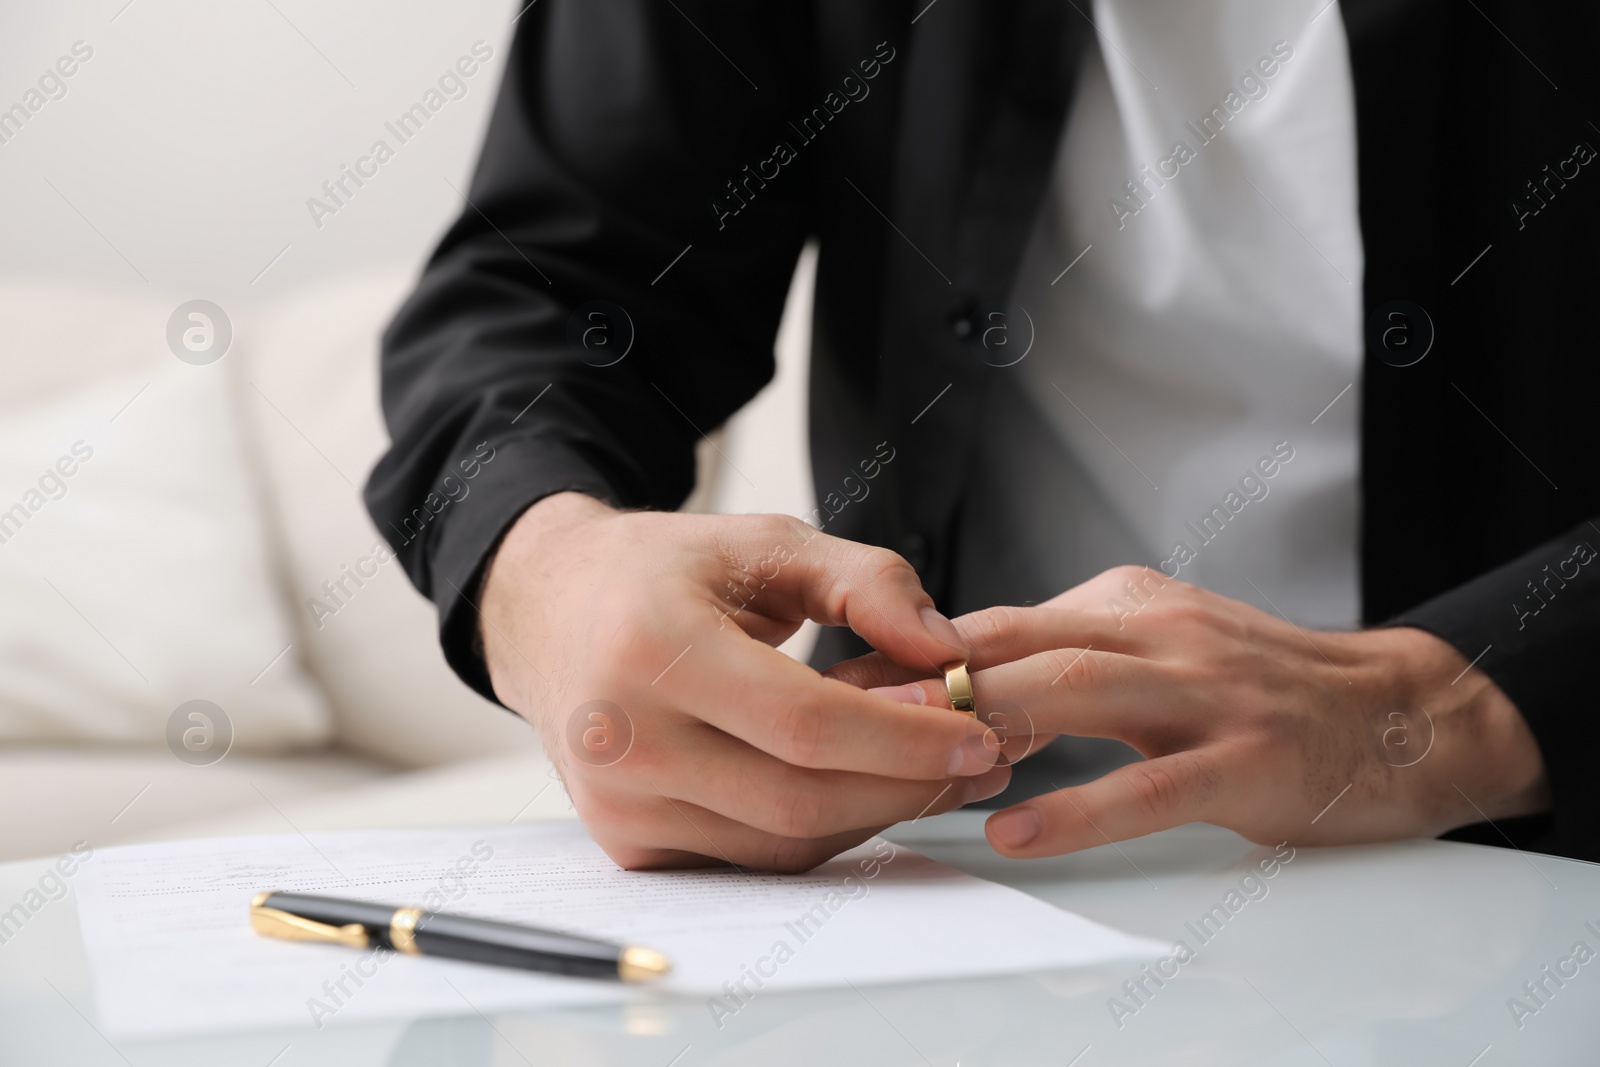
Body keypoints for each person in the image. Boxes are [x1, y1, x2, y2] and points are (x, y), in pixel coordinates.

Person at [365, 0, 1599, 870]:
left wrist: (1448, 702)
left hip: (1541, 845)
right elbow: (546, 292)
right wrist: (548, 572)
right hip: (948, 880)